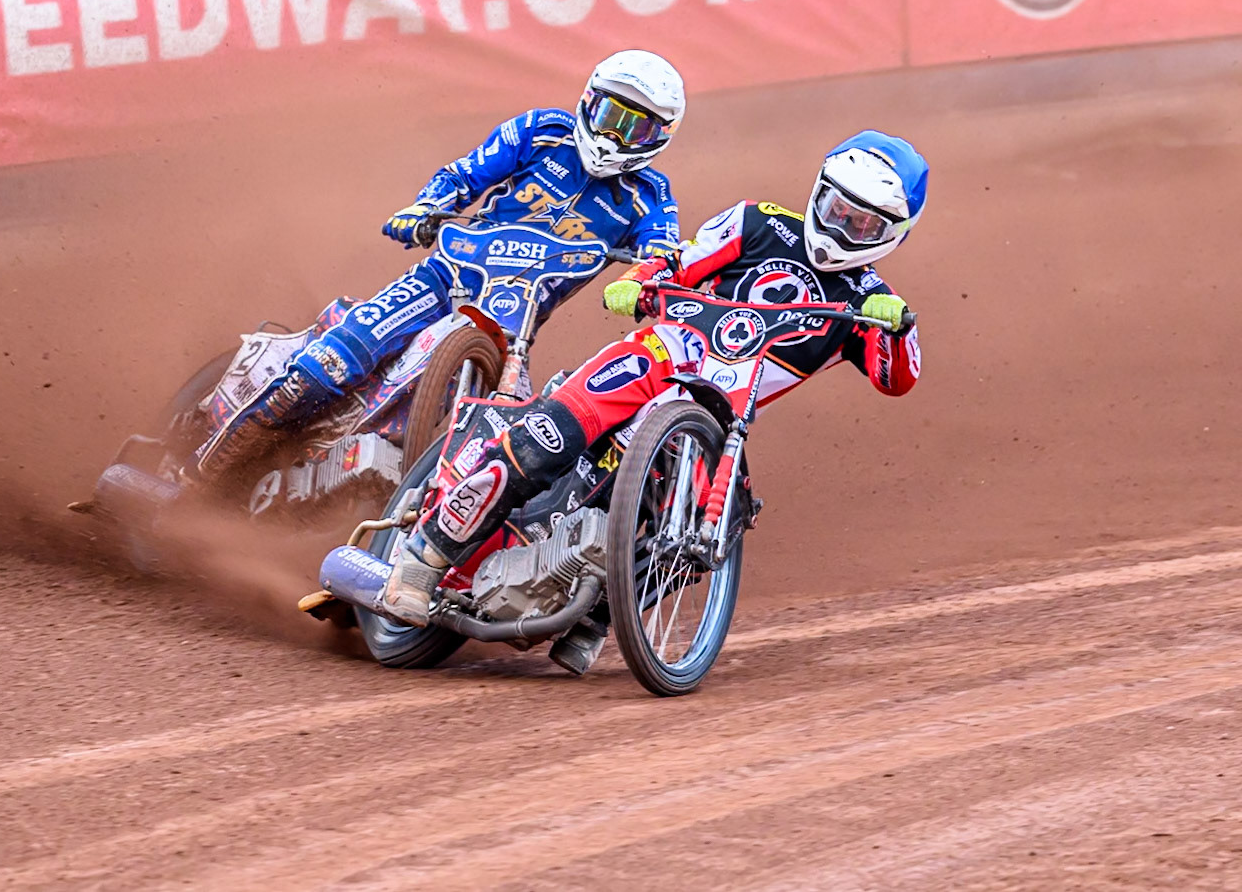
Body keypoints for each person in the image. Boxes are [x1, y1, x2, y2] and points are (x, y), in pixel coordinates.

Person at [372, 130, 929, 627]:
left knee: (719, 518)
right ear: (818, 194)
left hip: (719, 416)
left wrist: (900, 325)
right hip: (661, 354)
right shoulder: (757, 221)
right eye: (837, 209)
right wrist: (638, 280)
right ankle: (425, 558)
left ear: (892, 234)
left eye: (864, 224)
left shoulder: (869, 301)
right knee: (552, 433)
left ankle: (597, 618)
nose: (844, 228)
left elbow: (897, 378)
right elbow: (678, 261)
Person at [190, 50, 686, 480]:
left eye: (635, 125)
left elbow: (662, 256)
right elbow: (465, 175)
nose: (614, 134)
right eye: (608, 115)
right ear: (588, 100)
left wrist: (648, 282)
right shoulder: (542, 131)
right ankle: (200, 479)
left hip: (515, 318)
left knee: (525, 445)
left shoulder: (650, 197)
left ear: (658, 136)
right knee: (329, 363)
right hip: (444, 275)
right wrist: (424, 209)